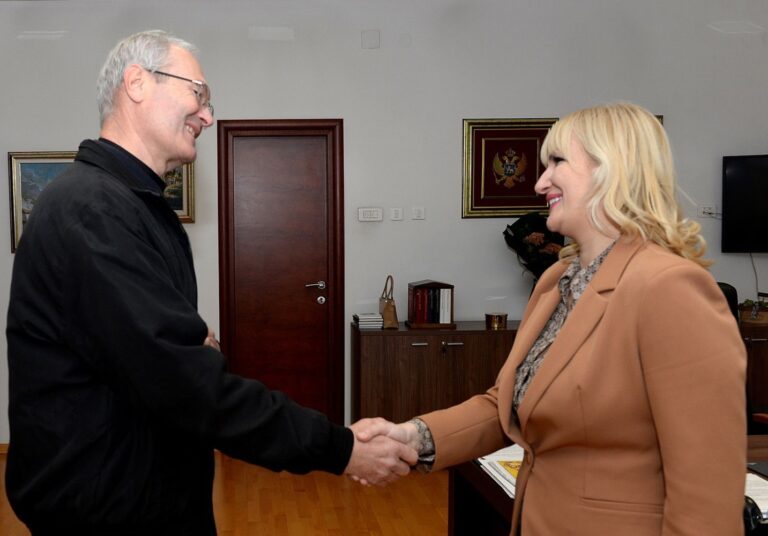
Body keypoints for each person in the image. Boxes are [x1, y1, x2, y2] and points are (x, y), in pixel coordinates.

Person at [5, 30, 415, 535]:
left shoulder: (134, 207)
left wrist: (192, 351)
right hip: (108, 511)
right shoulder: (92, 211)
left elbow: (166, 356)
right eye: (198, 93)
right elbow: (187, 384)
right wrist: (342, 449)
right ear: (137, 83)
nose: (207, 116)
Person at [358, 102, 747, 535]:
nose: (541, 182)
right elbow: (507, 405)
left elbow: (707, 493)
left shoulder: (669, 288)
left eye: (557, 162)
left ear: (612, 169)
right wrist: (415, 437)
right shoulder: (556, 281)